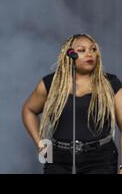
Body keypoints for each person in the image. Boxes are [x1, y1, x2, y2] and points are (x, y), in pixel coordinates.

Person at [22, 34, 122, 174]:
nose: (89, 53)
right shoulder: (51, 84)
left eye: (93, 49)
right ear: (68, 55)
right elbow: (29, 110)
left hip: (100, 159)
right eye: (82, 50)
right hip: (58, 159)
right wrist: (41, 144)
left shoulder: (111, 83)